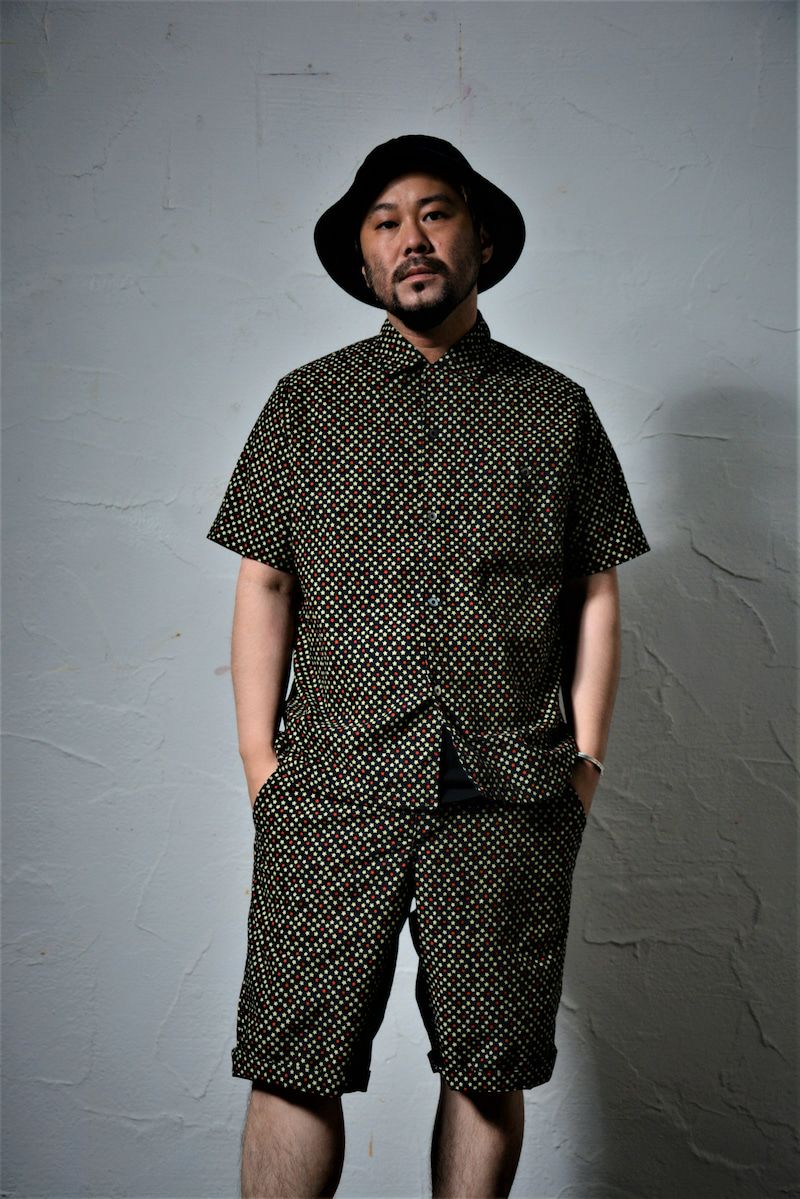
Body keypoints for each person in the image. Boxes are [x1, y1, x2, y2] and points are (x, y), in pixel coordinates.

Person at [207, 134, 650, 1199]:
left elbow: (594, 588)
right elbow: (266, 582)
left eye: (434, 213)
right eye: (385, 221)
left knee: (488, 1067)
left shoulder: (555, 409)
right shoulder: (305, 403)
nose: (411, 237)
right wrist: (263, 761)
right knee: (292, 1060)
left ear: (480, 240)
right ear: (364, 261)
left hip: (511, 792)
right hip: (330, 787)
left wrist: (584, 763)